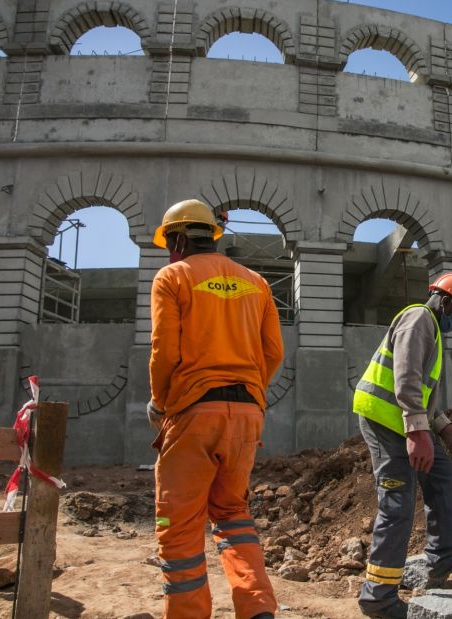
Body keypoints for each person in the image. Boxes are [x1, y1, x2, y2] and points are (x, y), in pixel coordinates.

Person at [146, 199, 282, 619]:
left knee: (180, 526)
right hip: (246, 415)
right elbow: (273, 353)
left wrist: (161, 401)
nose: (169, 251)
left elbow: (163, 351)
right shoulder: (256, 282)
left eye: (170, 242)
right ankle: (257, 607)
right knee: (232, 513)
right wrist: (250, 392)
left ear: (180, 238)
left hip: (193, 411)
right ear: (212, 235)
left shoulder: (173, 276)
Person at [352, 273, 452, 619]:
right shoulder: (419, 319)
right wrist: (417, 432)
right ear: (445, 301)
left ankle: (441, 560)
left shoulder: (432, 329)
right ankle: (378, 596)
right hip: (384, 420)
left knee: (442, 475)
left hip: (402, 421)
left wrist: (443, 426)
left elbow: (423, 394)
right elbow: (405, 378)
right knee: (398, 499)